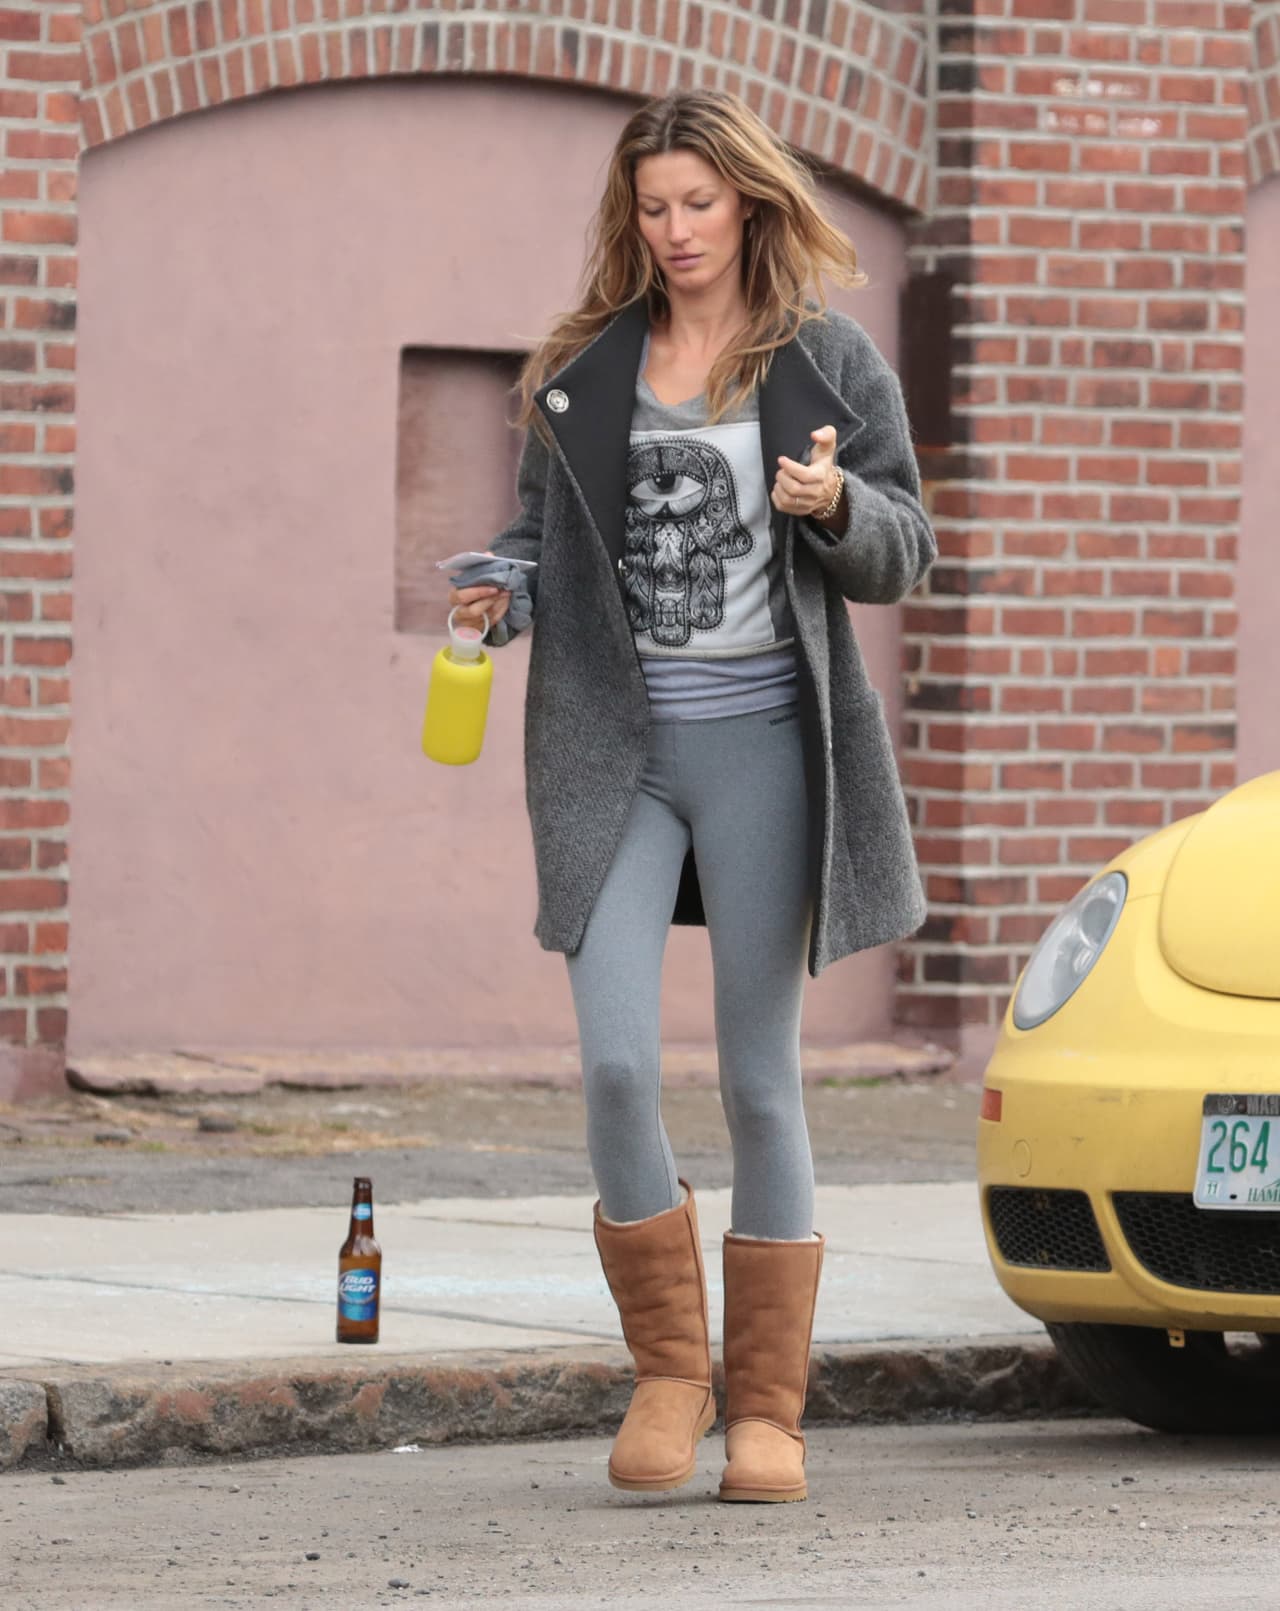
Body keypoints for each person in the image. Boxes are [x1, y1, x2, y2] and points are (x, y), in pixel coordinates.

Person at [448, 88, 937, 1504]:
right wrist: (502, 591)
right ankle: (670, 1371)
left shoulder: (826, 359)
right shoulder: (582, 367)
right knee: (613, 1065)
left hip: (767, 747)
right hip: (616, 753)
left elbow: (907, 547)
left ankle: (768, 1412)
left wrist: (835, 508)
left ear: (749, 203)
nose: (676, 230)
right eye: (653, 206)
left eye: (699, 203)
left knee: (757, 1079)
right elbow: (539, 538)